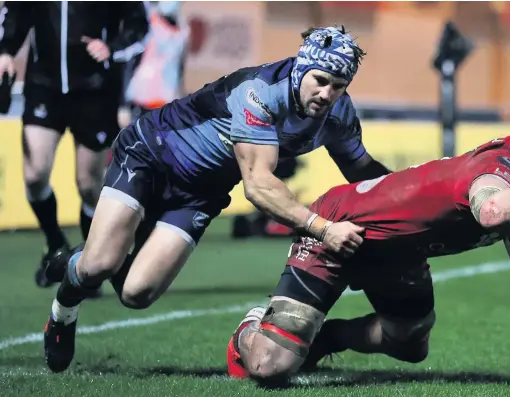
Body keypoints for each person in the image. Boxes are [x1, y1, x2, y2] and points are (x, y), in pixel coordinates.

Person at [41, 25, 392, 374]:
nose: (327, 93)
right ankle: (63, 309)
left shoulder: (339, 114)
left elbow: (363, 170)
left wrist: (408, 193)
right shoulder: (260, 92)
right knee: (98, 266)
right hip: (149, 156)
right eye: (320, 80)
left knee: (136, 295)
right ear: (302, 68)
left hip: (199, 193)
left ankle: (83, 257)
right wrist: (322, 229)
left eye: (338, 86)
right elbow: (258, 185)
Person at [226, 110, 510, 386]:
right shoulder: (501, 164)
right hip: (338, 230)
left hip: (398, 252)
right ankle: (254, 325)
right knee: (269, 366)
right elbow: (495, 212)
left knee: (409, 344)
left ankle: (324, 339)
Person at [0, 2, 149, 289]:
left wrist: (112, 47)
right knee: (34, 175)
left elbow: (139, 26)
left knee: (89, 186)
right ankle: (55, 245)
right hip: (44, 85)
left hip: (95, 89)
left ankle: (87, 264)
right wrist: (6, 50)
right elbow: (16, 11)